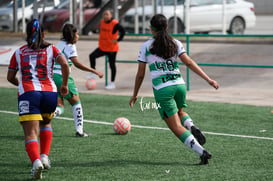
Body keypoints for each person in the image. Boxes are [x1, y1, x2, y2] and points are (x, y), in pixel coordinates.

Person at [129, 14, 219, 165]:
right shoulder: (175, 43)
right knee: (180, 112)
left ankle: (201, 152)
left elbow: (140, 75)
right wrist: (208, 79)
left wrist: (135, 94)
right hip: (179, 85)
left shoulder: (146, 46)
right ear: (167, 27)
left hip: (163, 89)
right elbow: (189, 62)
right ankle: (191, 126)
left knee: (175, 126)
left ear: (151, 29)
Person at [7, 19, 69, 179]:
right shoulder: (52, 49)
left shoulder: (19, 52)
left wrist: (21, 84)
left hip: (29, 93)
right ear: (43, 34)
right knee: (46, 124)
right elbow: (65, 65)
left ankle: (36, 163)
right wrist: (64, 84)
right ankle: (44, 157)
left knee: (30, 134)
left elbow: (10, 77)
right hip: (49, 93)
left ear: (27, 34)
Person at [53, 24, 104, 137]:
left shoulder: (59, 44)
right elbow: (76, 63)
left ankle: (45, 117)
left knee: (59, 106)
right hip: (62, 76)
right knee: (76, 102)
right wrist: (94, 71)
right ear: (73, 34)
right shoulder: (69, 46)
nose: (78, 36)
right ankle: (79, 131)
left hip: (52, 76)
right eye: (77, 33)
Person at [88, 8, 125, 89]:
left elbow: (123, 31)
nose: (105, 16)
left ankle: (112, 83)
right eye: (104, 14)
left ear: (111, 15)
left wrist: (118, 40)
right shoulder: (102, 22)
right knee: (92, 56)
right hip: (103, 47)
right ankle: (93, 72)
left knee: (112, 65)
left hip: (111, 48)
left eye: (107, 14)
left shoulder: (115, 24)